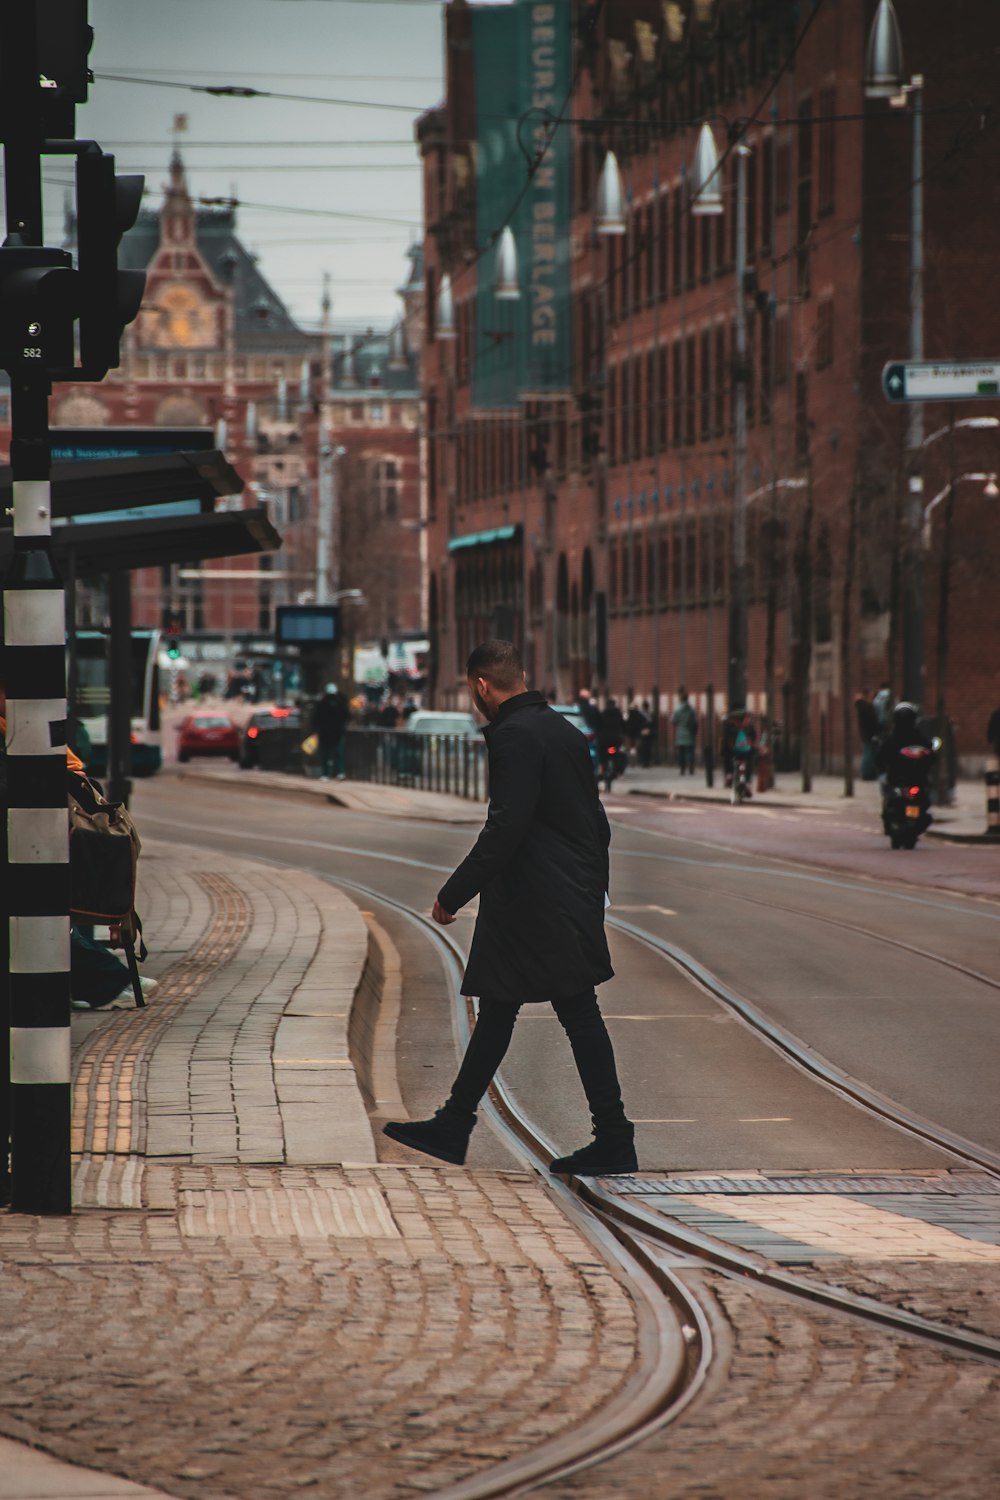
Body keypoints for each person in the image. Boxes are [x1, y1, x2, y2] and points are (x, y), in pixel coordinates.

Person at [383, 640, 637, 1176]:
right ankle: (457, 1122)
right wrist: (594, 890)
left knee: (567, 1011)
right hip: (561, 895)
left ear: (481, 686)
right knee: (511, 1008)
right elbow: (597, 822)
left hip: (534, 901)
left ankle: (612, 1137)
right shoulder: (563, 731)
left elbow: (507, 827)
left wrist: (453, 894)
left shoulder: (515, 736)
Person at [312, 683, 349, 780]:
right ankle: (338, 772)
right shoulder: (339, 703)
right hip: (336, 732)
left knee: (327, 754)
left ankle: (326, 773)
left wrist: (316, 730)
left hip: (326, 733)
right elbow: (346, 716)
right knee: (337, 754)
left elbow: (316, 719)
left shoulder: (322, 704)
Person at [597, 696, 627, 790]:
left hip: (604, 741)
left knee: (602, 758)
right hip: (615, 741)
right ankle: (614, 774)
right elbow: (624, 726)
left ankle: (602, 772)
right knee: (616, 756)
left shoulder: (602, 714)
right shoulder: (618, 714)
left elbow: (598, 726)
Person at [854, 689, 880, 781]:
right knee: (868, 754)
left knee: (868, 753)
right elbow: (872, 721)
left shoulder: (863, 706)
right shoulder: (866, 707)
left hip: (866, 734)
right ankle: (867, 773)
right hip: (869, 734)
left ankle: (868, 773)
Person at [672, 688, 698, 775]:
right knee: (690, 751)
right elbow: (695, 721)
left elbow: (673, 721)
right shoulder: (691, 709)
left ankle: (682, 768)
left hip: (680, 733)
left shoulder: (677, 709)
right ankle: (690, 766)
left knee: (681, 752)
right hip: (689, 733)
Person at [626, 700, 652, 766]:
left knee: (631, 748)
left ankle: (631, 761)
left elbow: (625, 724)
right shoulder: (639, 715)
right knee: (637, 748)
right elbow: (645, 722)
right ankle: (636, 761)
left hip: (630, 734)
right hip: (638, 734)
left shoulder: (628, 715)